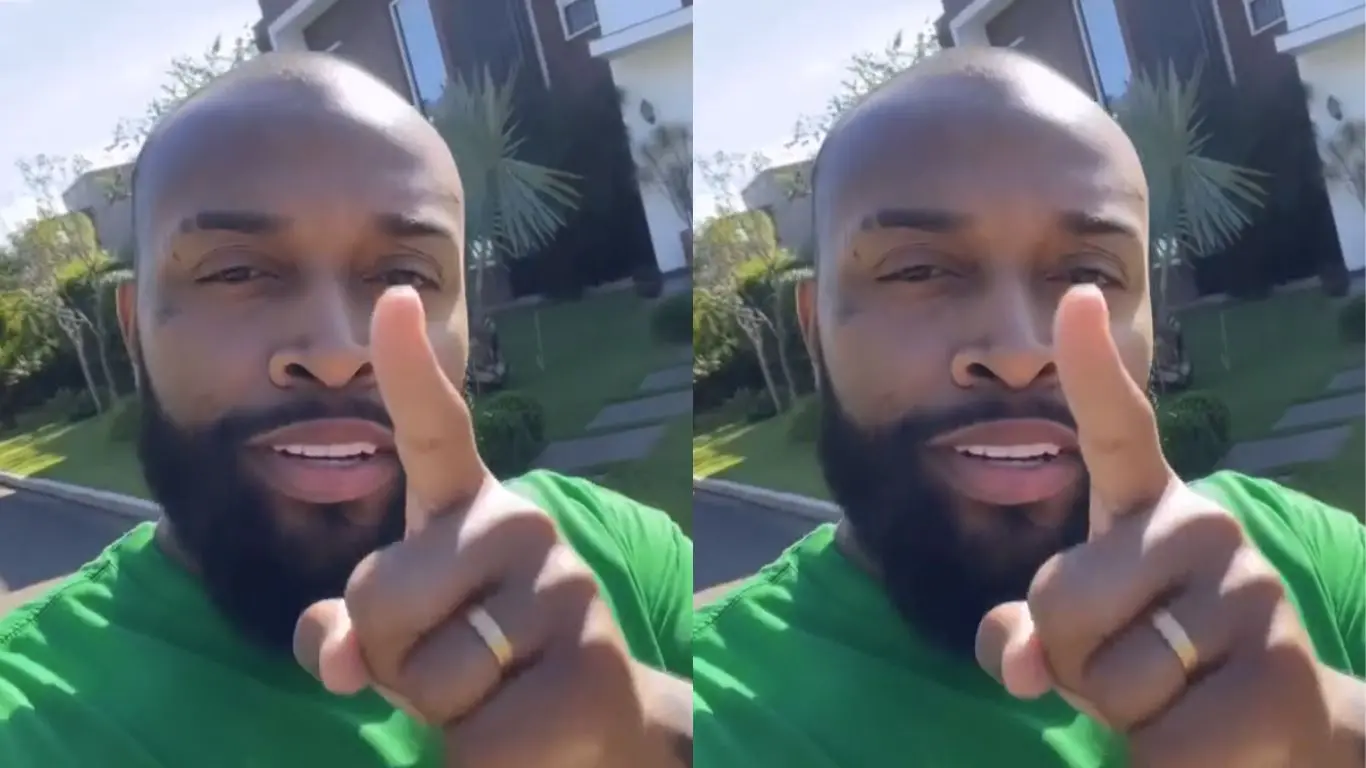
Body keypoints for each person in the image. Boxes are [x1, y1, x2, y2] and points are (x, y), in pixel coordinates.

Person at [0, 52, 693, 768]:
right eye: (237, 271)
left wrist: (642, 724)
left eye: (403, 274)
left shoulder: (622, 559)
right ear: (133, 329)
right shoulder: (27, 719)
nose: (336, 352)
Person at [693, 48, 1365, 767]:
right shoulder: (706, 713)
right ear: (813, 329)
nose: (1018, 351)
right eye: (919, 269)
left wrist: (1331, 727)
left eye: (1087, 273)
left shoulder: (1298, 558)